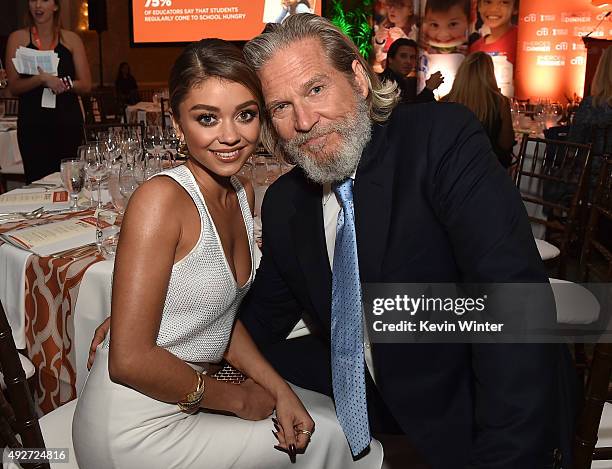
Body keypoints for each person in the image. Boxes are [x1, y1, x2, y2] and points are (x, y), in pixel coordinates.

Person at [90, 14, 571, 468]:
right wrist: (163, 312)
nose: (304, 121)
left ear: (359, 81)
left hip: (475, 414)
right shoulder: (285, 203)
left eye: (316, 89)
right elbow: (258, 317)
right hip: (375, 395)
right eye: (281, 107)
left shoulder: (437, 142)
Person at [73, 38, 382, 469]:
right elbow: (128, 361)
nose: (231, 136)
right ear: (178, 125)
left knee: (325, 424)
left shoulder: (242, 193)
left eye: (246, 115)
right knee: (338, 440)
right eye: (207, 118)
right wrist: (237, 399)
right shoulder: (160, 199)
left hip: (190, 397)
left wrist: (279, 392)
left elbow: (220, 318)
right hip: (136, 424)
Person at [5, 0, 91, 183]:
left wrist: (62, 84)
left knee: (70, 181)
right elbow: (13, 87)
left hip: (67, 122)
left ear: (56, 6)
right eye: (33, 0)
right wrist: (41, 79)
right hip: (33, 124)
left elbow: (86, 84)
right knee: (37, 181)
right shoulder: (17, 39)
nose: (38, 5)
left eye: (44, 0)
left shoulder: (71, 40)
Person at [441, 51, 514, 167]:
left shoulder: (445, 102)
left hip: (454, 168)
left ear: (462, 73)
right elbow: (506, 143)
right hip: (488, 169)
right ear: (489, 74)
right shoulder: (500, 102)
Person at [378, 38, 444, 103]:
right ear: (390, 59)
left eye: (412, 57)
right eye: (403, 56)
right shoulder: (380, 83)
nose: (408, 61)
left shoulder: (410, 83)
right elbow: (405, 112)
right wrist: (428, 90)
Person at [372, 0, 419, 72]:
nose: (392, 9)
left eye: (399, 6)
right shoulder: (381, 28)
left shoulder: (416, 32)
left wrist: (404, 38)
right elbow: (376, 57)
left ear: (410, 10)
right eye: (390, 5)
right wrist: (379, 41)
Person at [469, 0, 518, 66]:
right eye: (488, 2)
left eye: (504, 2)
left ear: (515, 8)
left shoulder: (522, 40)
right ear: (479, 6)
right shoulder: (475, 48)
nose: (493, 9)